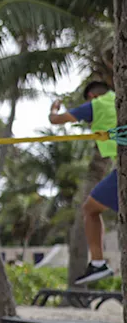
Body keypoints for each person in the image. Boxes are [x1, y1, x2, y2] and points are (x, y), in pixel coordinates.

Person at [49, 80, 120, 285]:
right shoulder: (118, 100)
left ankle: (98, 263)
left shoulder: (95, 105)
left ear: (91, 95)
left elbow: (56, 120)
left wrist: (54, 107)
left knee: (90, 209)